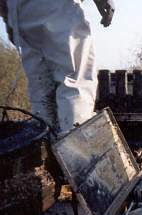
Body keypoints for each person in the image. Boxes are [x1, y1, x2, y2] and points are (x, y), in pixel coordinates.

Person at [0, 0, 115, 135]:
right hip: (56, 6)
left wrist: (9, 18)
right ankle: (76, 151)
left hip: (19, 11)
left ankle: (42, 148)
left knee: (41, 87)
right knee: (74, 82)